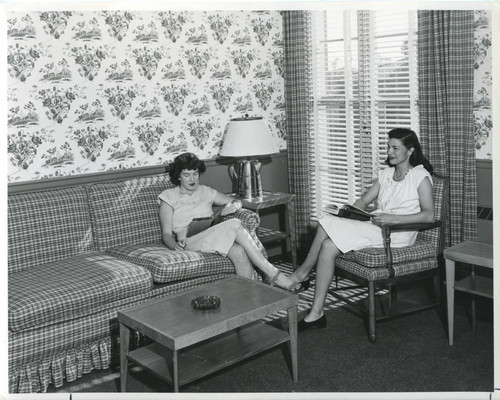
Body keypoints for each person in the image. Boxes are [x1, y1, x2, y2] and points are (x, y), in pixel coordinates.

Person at [288, 128, 435, 331]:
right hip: (377, 226)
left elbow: (429, 215)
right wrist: (349, 213)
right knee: (329, 243)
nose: (389, 152)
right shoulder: (386, 174)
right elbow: (364, 201)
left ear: (409, 151)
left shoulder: (420, 176)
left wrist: (393, 218)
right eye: (388, 147)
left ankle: (301, 274)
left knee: (325, 224)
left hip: (398, 233)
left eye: (395, 148)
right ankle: (317, 312)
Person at [158, 152, 300, 291]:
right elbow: (166, 234)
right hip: (189, 242)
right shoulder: (168, 197)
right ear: (178, 176)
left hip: (211, 236)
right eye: (186, 175)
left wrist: (234, 206)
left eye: (195, 173)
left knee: (238, 251)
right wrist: (174, 245)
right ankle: (274, 274)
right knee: (234, 224)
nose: (192, 179)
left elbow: (235, 201)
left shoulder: (206, 191)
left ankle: (250, 299)